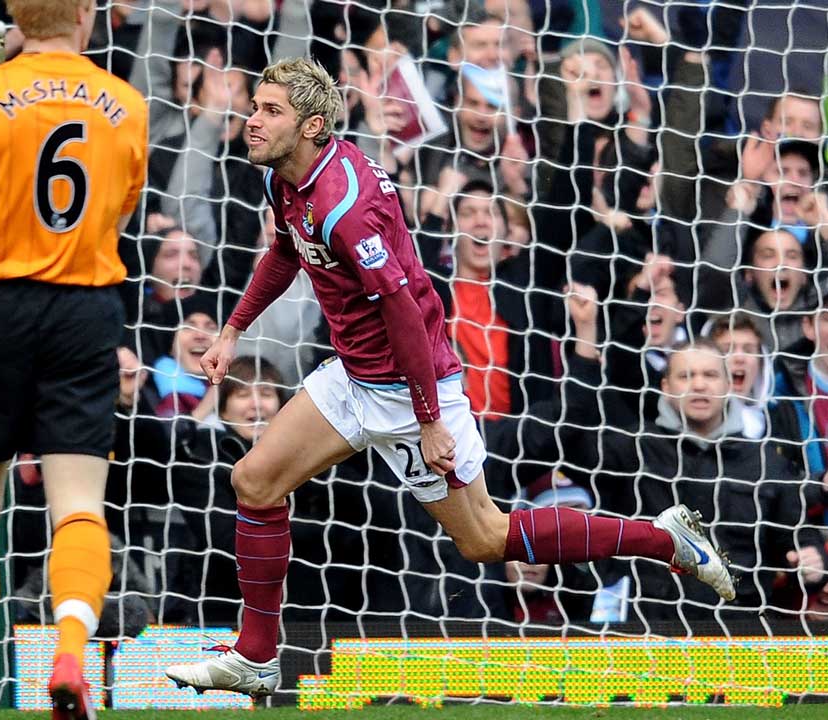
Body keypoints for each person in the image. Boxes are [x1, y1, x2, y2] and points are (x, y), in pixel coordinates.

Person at [165, 58, 734, 698]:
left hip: (410, 392)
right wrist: (234, 331)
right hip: (354, 375)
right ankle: (256, 655)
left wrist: (431, 420)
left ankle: (663, 538)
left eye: (271, 111)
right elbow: (286, 250)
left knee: (486, 538)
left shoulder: (346, 207)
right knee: (255, 481)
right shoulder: (289, 176)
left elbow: (406, 310)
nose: (253, 120)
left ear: (312, 125)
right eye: (255, 107)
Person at [0, 0, 146, 717]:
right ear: (84, 14)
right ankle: (72, 649)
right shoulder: (126, 104)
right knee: (78, 503)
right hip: (85, 307)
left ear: (12, 15)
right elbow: (118, 213)